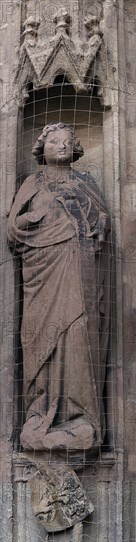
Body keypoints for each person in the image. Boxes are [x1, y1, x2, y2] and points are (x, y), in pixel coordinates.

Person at [7, 122, 110, 453]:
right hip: (42, 277)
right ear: (42, 147)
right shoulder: (31, 183)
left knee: (79, 336)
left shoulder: (86, 182)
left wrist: (86, 214)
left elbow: (102, 223)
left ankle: (81, 418)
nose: (62, 146)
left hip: (80, 275)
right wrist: (41, 217)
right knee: (39, 339)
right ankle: (39, 413)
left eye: (68, 141)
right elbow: (13, 229)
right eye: (55, 141)